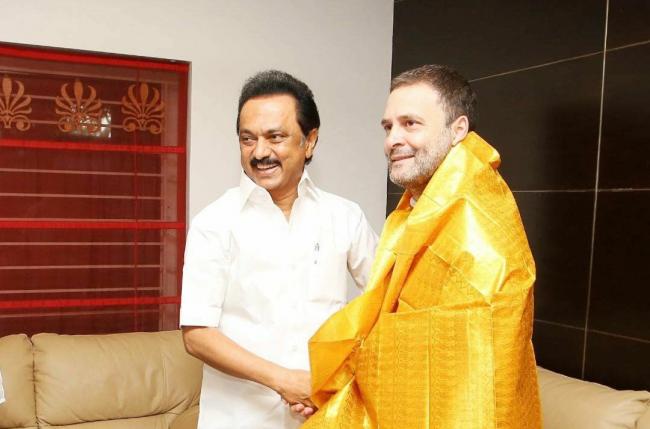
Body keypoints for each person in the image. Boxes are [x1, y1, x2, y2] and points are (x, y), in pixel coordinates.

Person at [303, 65, 542, 428]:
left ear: (458, 130)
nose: (392, 140)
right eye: (388, 127)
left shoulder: (475, 223)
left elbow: (462, 376)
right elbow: (387, 332)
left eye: (410, 124)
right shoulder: (417, 208)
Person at [179, 70, 378, 429]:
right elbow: (197, 336)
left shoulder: (344, 217)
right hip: (240, 420)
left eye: (275, 137)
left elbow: (384, 302)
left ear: (310, 141)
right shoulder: (214, 222)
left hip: (327, 414)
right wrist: (285, 381)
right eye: (248, 139)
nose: (260, 152)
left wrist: (340, 374)